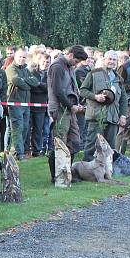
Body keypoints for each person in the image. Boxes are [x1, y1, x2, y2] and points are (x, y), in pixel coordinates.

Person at [47, 45, 87, 183]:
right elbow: (57, 91)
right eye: (76, 61)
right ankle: (57, 176)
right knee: (60, 143)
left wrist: (77, 104)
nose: (76, 64)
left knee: (75, 142)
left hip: (70, 110)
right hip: (60, 109)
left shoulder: (69, 67)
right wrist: (71, 106)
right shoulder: (57, 66)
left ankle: (67, 173)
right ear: (70, 55)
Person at [79, 50, 127, 161]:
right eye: (109, 59)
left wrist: (123, 115)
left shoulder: (118, 78)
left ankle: (108, 170)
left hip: (112, 117)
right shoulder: (94, 73)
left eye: (114, 59)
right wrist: (95, 96)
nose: (112, 62)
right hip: (96, 116)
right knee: (92, 145)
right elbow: (82, 91)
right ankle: (87, 168)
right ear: (104, 60)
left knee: (110, 147)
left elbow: (124, 99)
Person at [6, 47, 39, 159]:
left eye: (24, 57)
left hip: (26, 104)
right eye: (19, 56)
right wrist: (27, 84)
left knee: (25, 128)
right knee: (17, 128)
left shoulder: (25, 70)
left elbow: (35, 82)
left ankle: (16, 152)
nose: (22, 59)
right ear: (15, 56)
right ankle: (18, 153)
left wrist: (24, 81)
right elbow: (15, 80)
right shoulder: (11, 69)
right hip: (15, 103)